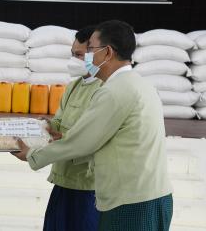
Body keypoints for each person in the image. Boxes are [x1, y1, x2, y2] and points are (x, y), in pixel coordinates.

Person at [13, 20, 173, 231]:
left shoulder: (114, 91)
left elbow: (82, 143)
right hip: (152, 196)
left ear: (107, 53)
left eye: (89, 50)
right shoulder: (141, 85)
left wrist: (32, 154)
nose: (86, 56)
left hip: (130, 203)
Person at [41, 26, 102, 231]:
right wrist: (46, 126)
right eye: (72, 54)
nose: (73, 60)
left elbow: (95, 137)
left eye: (79, 55)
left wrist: (61, 137)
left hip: (88, 186)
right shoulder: (74, 86)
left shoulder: (105, 89)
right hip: (63, 179)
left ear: (97, 54)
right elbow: (59, 121)